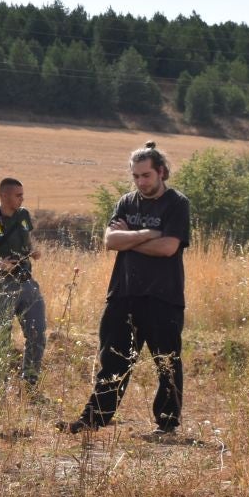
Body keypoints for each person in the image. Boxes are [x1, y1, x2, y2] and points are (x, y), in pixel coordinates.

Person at [71, 141, 191, 438]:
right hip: (124, 294)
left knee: (167, 362)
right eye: (136, 176)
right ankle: (94, 419)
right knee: (112, 358)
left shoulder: (177, 203)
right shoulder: (126, 202)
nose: (140, 182)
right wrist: (148, 233)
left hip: (164, 296)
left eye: (146, 175)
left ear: (161, 172)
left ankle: (167, 424)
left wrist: (130, 237)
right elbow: (110, 241)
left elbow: (168, 247)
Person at [0, 176, 46, 390]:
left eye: (22, 195)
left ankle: (29, 385)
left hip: (27, 282)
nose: (22, 198)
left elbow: (27, 240)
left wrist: (33, 251)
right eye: (18, 195)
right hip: (1, 285)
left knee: (37, 334)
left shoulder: (24, 215)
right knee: (1, 338)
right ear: (3, 195)